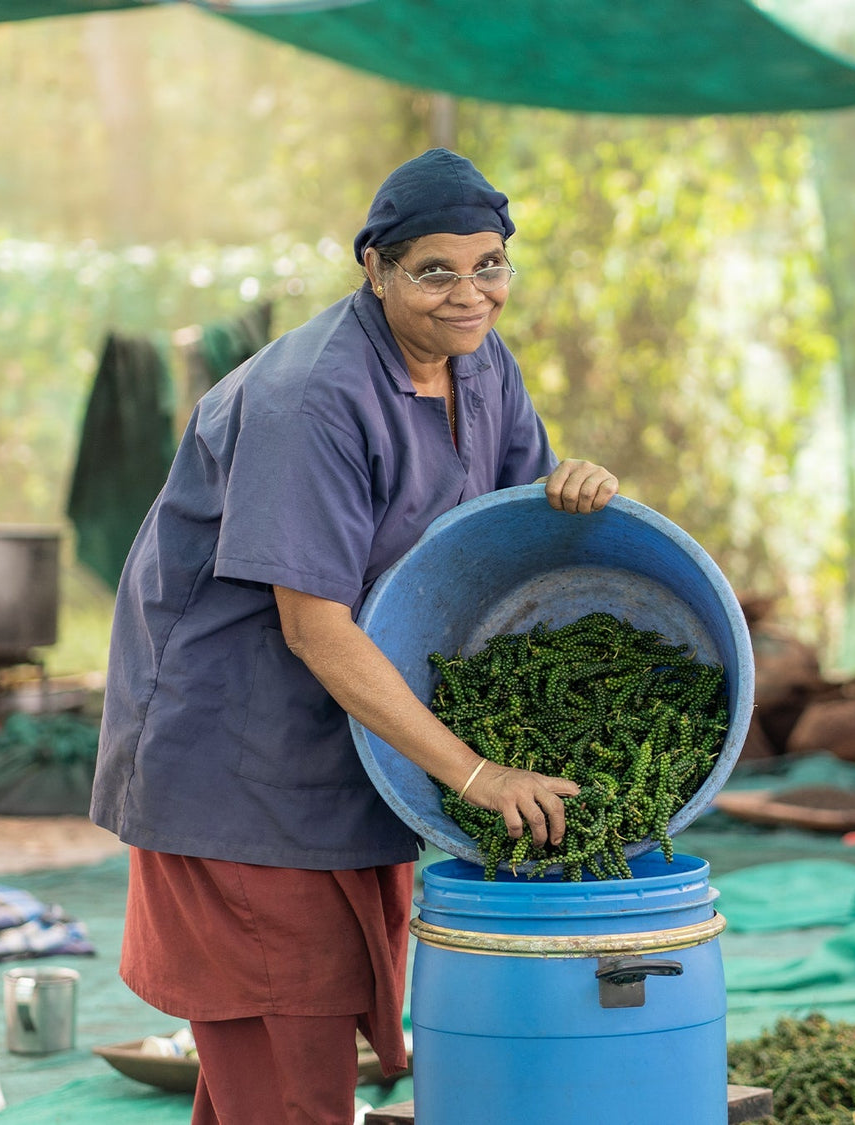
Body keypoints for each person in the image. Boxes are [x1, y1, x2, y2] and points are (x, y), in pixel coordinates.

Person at [89, 148, 620, 1125]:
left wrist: (576, 486)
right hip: (235, 752)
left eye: (491, 264)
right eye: (435, 271)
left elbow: (517, 528)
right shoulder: (314, 399)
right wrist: (477, 775)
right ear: (374, 269)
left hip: (349, 743)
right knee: (290, 1031)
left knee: (275, 1061)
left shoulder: (480, 362)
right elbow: (313, 628)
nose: (471, 294)